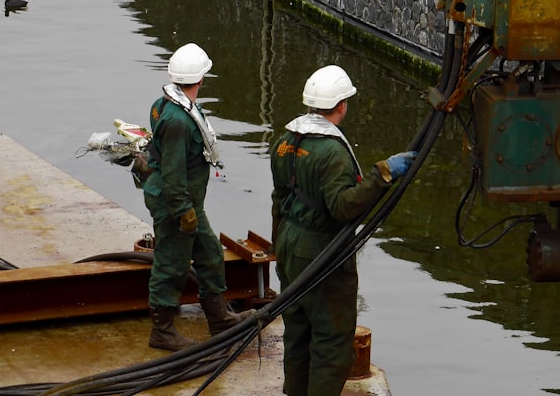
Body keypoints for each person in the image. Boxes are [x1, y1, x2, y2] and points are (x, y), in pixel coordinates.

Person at [270, 65, 417, 396]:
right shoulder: (332, 152)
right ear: (340, 106)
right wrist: (383, 174)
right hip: (322, 251)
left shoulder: (285, 141)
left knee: (297, 333)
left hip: (289, 245)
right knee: (331, 343)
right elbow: (342, 207)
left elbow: (279, 198)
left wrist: (279, 246)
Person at [143, 43, 253, 351]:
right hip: (176, 204)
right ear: (201, 79)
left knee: (209, 254)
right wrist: (183, 213)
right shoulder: (178, 121)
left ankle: (219, 318)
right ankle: (162, 331)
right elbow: (174, 172)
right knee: (172, 263)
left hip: (186, 202)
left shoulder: (165, 103)